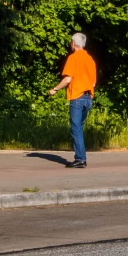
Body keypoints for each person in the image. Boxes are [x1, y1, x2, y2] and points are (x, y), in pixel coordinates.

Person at [50, 32, 96, 167]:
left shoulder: (73, 58)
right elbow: (93, 83)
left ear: (74, 44)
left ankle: (80, 159)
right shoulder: (90, 60)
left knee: (76, 129)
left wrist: (55, 89)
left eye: (71, 43)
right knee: (79, 128)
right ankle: (80, 158)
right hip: (88, 98)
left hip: (77, 97)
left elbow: (68, 79)